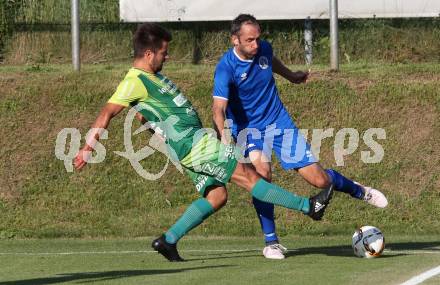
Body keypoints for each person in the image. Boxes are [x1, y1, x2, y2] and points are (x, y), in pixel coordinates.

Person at [73, 23, 334, 262]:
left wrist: (152, 124)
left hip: (188, 145)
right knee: (249, 176)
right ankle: (309, 207)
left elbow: (146, 112)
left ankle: (168, 240)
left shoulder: (151, 78)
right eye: (164, 52)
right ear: (149, 54)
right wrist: (88, 148)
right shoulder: (134, 80)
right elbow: (107, 112)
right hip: (194, 145)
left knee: (216, 195)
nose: (168, 56)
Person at [212, 14, 388, 260]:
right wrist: (224, 138)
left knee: (319, 181)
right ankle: (271, 242)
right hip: (248, 130)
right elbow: (218, 108)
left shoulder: (263, 49)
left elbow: (269, 60)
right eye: (249, 40)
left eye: (257, 39)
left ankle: (359, 190)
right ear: (235, 40)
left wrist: (290, 75)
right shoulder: (225, 68)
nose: (255, 44)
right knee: (262, 175)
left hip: (279, 123)